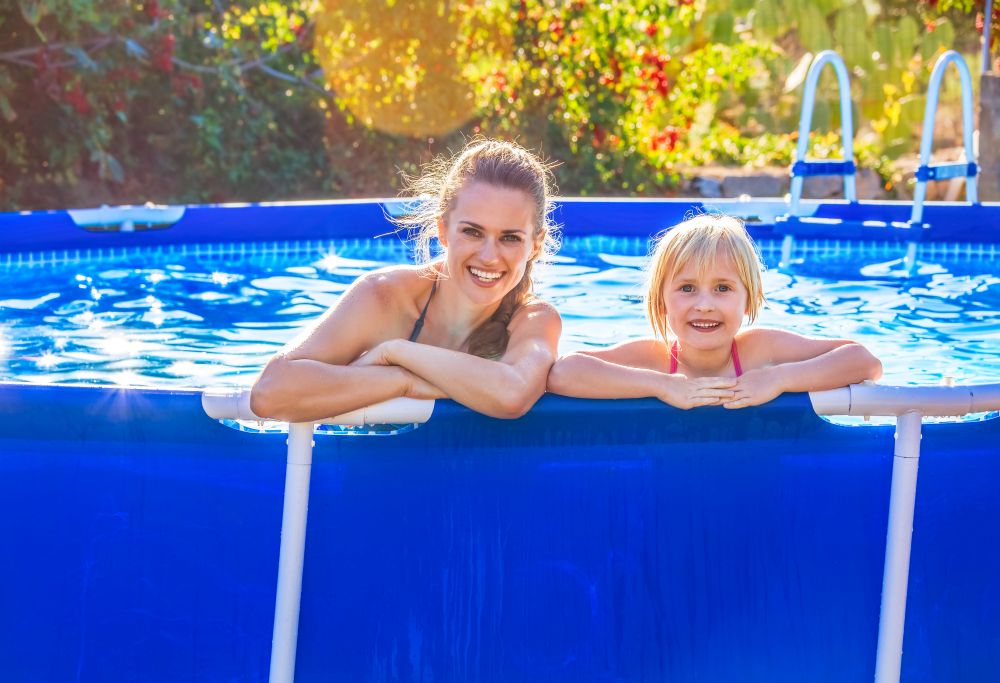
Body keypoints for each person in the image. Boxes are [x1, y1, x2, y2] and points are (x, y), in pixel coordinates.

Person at [250, 139, 562, 421]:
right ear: (443, 230)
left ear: (535, 244)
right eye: (472, 232)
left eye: (510, 238)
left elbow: (512, 395)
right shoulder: (383, 297)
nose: (489, 256)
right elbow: (270, 393)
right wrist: (403, 380)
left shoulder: (533, 320)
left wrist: (397, 353)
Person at [546, 214, 882, 409]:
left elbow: (863, 361)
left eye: (722, 288)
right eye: (687, 288)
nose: (704, 304)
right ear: (661, 300)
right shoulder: (656, 359)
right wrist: (662, 386)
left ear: (748, 300)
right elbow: (564, 372)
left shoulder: (761, 352)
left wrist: (779, 378)